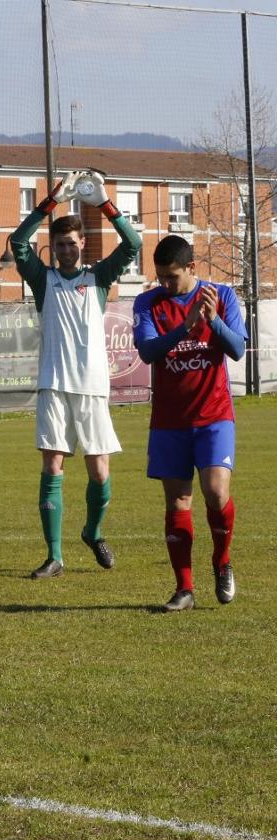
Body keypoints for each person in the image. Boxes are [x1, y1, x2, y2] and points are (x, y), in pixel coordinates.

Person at [9, 170, 141, 579]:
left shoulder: (97, 278)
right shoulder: (42, 279)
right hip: (53, 386)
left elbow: (134, 244)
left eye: (72, 243)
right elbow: (16, 242)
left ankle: (93, 531)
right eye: (60, 244)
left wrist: (105, 204)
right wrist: (49, 201)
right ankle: (54, 556)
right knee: (52, 468)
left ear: (83, 244)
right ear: (53, 248)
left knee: (99, 471)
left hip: (92, 390)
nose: (66, 250)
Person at [132, 234, 246, 612]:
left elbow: (237, 349)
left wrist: (211, 321)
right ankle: (184, 589)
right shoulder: (148, 303)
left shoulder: (222, 296)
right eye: (160, 276)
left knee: (215, 493)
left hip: (214, 416)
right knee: (178, 499)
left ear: (192, 268)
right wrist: (184, 328)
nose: (165, 284)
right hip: (169, 421)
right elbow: (148, 351)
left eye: (172, 277)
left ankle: (222, 561)